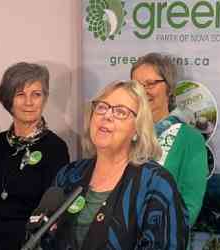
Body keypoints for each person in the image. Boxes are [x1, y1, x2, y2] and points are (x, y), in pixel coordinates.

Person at [43, 80, 188, 250]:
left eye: (120, 112)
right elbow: (41, 238)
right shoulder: (69, 175)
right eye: (102, 107)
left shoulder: (156, 184)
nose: (107, 116)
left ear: (137, 130)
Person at [0, 62, 70, 250]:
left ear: (45, 99)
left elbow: (52, 213)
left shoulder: (55, 148)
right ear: (8, 100)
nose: (29, 102)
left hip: (28, 244)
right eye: (20, 95)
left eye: (36, 94)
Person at [131, 52, 208, 226]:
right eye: (136, 85)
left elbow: (190, 205)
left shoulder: (190, 138)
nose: (142, 91)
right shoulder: (125, 133)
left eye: (150, 84)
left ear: (169, 87)